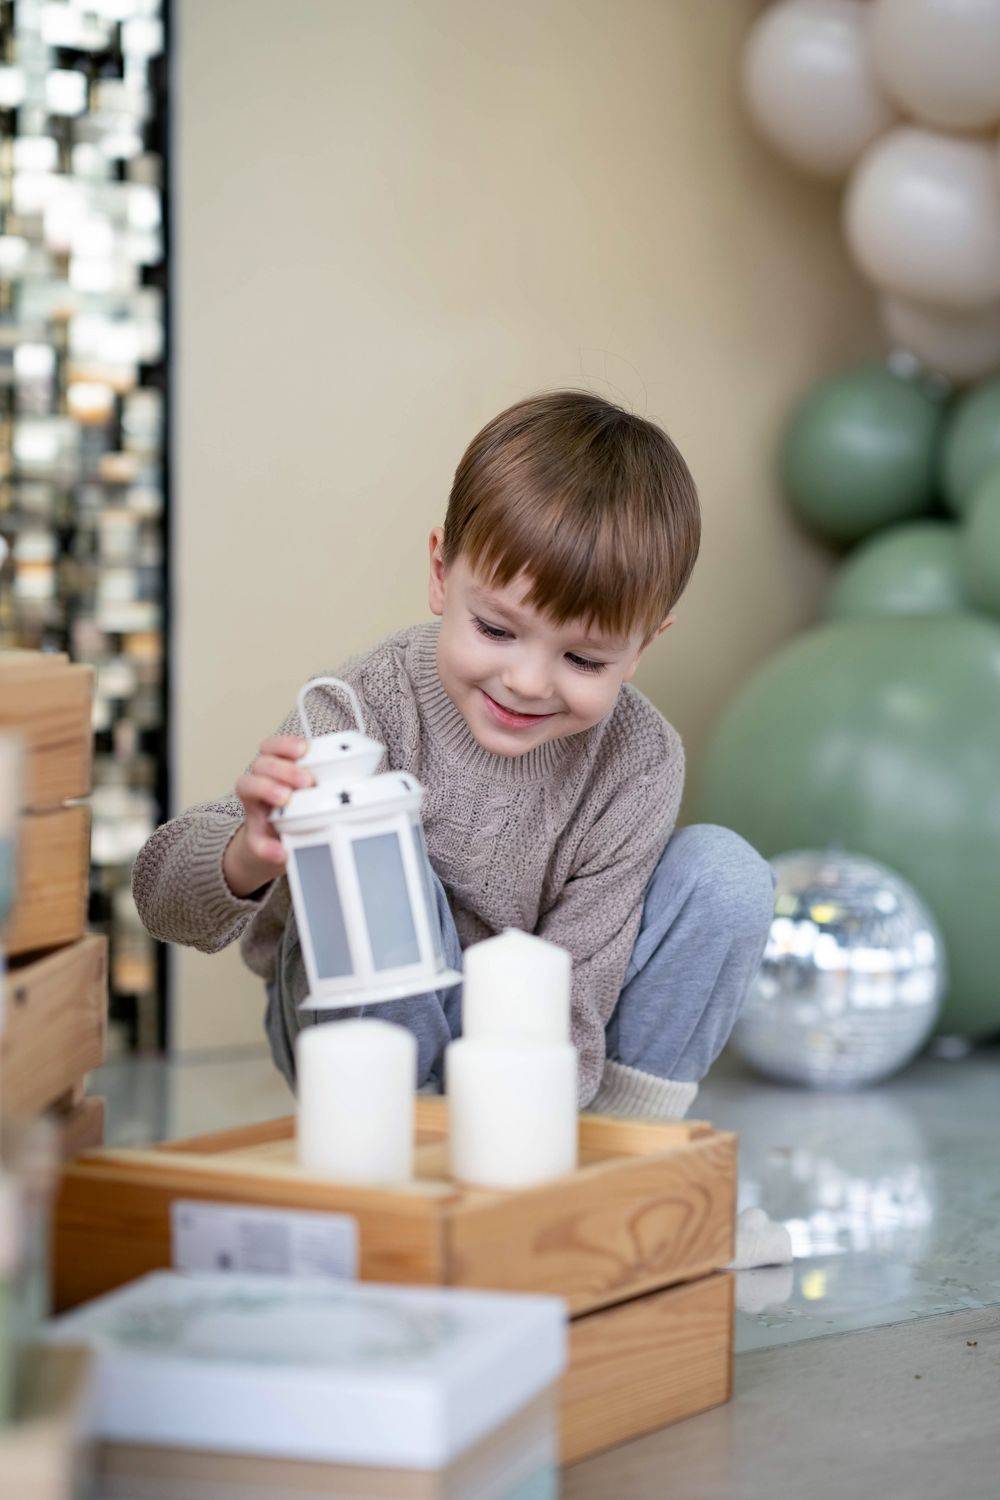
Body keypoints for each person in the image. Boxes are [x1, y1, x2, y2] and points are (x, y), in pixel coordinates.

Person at [133, 390, 776, 1120]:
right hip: (363, 1053)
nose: (527, 682)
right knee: (376, 845)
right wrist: (247, 855)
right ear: (441, 573)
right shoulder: (366, 702)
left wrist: (525, 1129)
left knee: (726, 876)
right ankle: (401, 1131)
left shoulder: (639, 761)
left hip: (544, 1060)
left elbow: (577, 990)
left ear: (642, 649)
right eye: (496, 630)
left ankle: (619, 1147)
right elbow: (161, 901)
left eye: (584, 659)